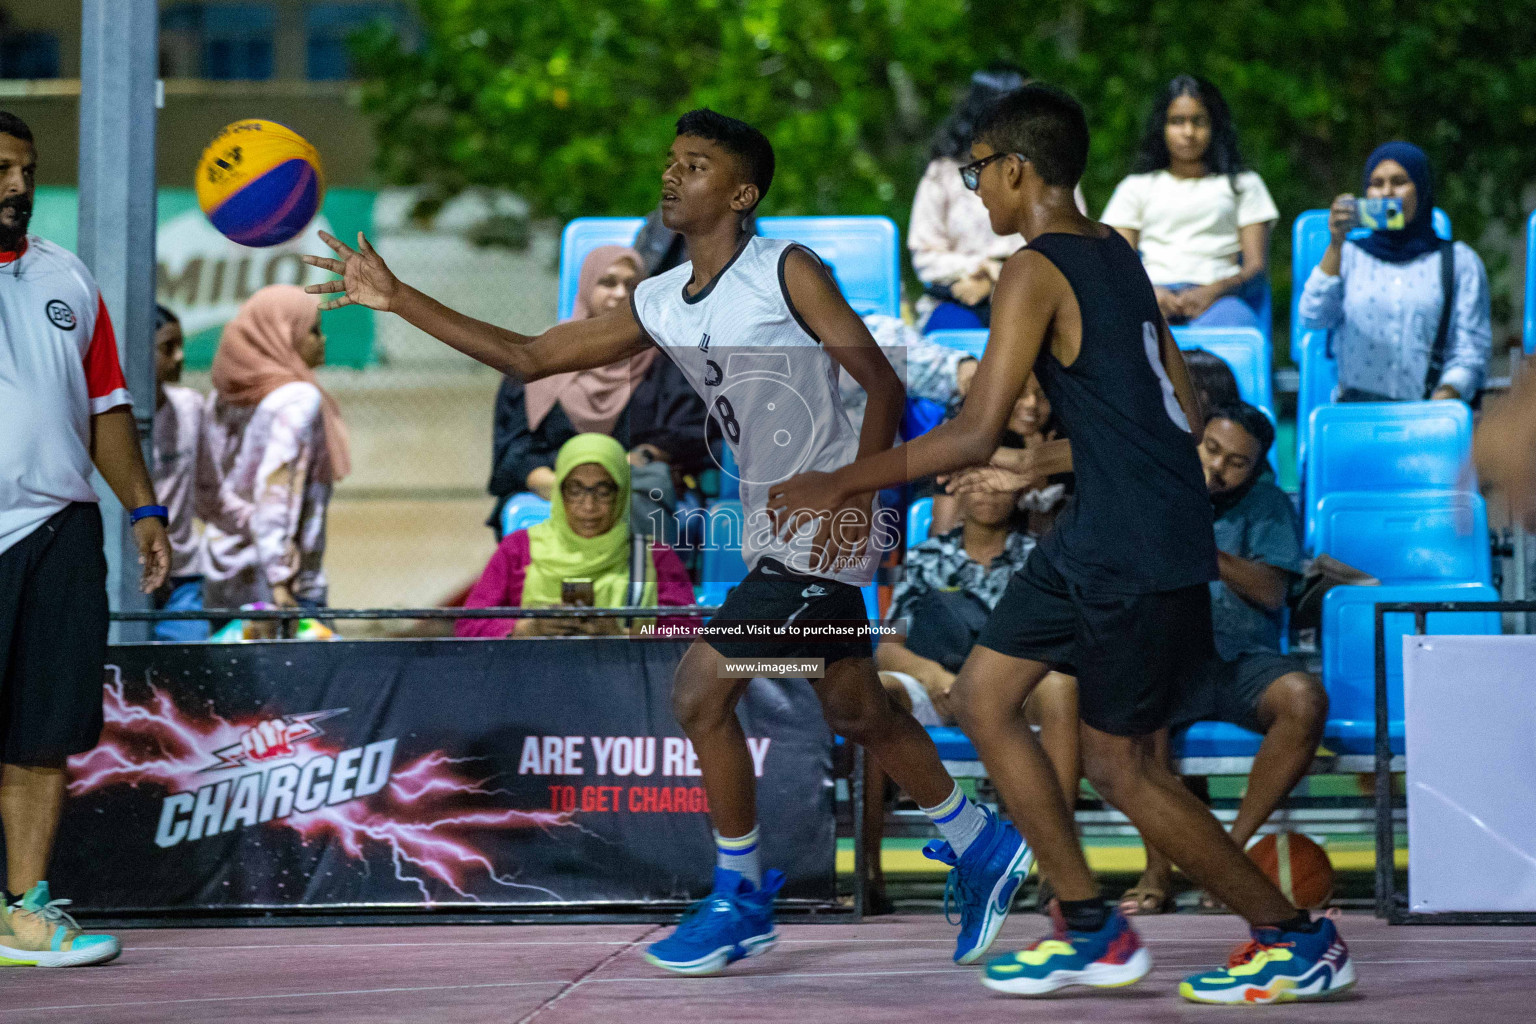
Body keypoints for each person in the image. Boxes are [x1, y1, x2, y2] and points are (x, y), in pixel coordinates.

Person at [306, 108, 1028, 974]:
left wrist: (857, 504)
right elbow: (532, 356)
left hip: (823, 530)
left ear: (742, 192)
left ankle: (740, 894)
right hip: (778, 529)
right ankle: (977, 838)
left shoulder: (787, 270)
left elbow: (877, 378)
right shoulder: (660, 298)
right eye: (670, 162)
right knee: (852, 706)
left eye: (694, 165)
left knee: (698, 692)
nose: (671, 175)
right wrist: (399, 298)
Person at [769, 84, 1353, 1003]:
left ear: (1016, 169)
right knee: (985, 697)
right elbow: (1183, 412)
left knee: (1122, 762)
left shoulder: (1031, 271)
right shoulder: (1116, 252)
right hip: (1115, 531)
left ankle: (1296, 935)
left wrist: (839, 480)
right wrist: (1056, 453)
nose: (974, 192)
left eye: (977, 174)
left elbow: (969, 433)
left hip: (1127, 546)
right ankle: (1086, 924)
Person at [0, 110, 168, 966]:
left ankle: (22, 913)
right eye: (1, 169)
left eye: (27, 171)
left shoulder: (66, 278)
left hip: (59, 532)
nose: (18, 188)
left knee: (38, 734)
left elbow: (106, 407)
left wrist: (143, 510)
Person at [864, 485, 1073, 912]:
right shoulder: (926, 556)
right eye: (980, 475)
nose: (989, 488)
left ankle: (1058, 872)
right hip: (936, 684)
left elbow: (1061, 639)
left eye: (1001, 478)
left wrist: (988, 684)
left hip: (1012, 688)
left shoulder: (1040, 556)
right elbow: (888, 645)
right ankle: (868, 871)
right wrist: (934, 675)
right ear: (960, 487)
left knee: (1061, 687)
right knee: (876, 692)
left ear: (1020, 490)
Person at [488, 246, 709, 537]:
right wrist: (562, 488)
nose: (619, 294)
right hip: (551, 483)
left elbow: (686, 433)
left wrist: (624, 467)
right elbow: (513, 449)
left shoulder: (666, 361)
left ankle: (641, 582)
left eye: (631, 286)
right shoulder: (540, 358)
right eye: (608, 282)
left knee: (646, 490)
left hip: (634, 481)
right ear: (588, 286)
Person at [1298, 141, 1490, 403]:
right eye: (1376, 184)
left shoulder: (1459, 262)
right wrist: (1335, 244)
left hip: (1430, 415)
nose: (1387, 192)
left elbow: (1471, 351)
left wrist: (1444, 399)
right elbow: (1312, 316)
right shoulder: (1348, 256)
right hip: (1358, 414)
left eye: (1399, 181)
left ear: (1421, 190)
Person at [199, 285, 349, 613]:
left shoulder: (225, 399)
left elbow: (208, 489)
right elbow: (276, 487)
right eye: (313, 330)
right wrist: (280, 580)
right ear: (284, 334)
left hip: (224, 572)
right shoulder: (296, 399)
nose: (322, 340)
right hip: (282, 586)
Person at [458, 434, 697, 637]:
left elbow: (687, 631)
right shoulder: (518, 549)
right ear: (559, 491)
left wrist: (620, 632)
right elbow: (468, 626)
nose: (589, 506)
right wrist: (530, 628)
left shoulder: (654, 557)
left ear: (622, 493)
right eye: (575, 490)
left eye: (603, 491)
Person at [909, 65, 1088, 332]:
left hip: (1034, 291)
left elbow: (1070, 243)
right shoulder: (942, 173)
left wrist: (1000, 278)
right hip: (960, 293)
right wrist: (980, 269)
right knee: (955, 338)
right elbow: (925, 254)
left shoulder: (1051, 169)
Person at [1101, 75, 1278, 331]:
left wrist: (1212, 293)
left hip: (1221, 300)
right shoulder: (1136, 187)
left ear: (1215, 126)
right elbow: (1119, 263)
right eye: (1177, 121)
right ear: (1161, 127)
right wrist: (1151, 293)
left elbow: (1256, 268)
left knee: (1238, 328)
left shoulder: (1244, 185)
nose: (1188, 132)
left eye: (1199, 121)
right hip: (1150, 296)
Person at [150, 305, 210, 641]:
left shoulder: (190, 407)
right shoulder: (104, 416)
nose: (181, 357)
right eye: (168, 347)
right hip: (119, 575)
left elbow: (210, 490)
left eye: (181, 345)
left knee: (186, 682)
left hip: (182, 580)